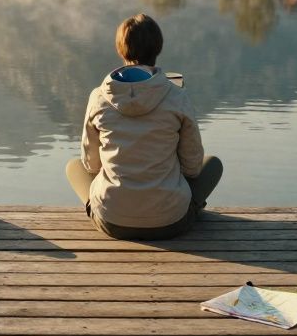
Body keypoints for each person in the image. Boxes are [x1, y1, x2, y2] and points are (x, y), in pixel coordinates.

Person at [66, 13, 222, 239]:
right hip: (171, 221)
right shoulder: (177, 97)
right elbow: (193, 168)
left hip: (111, 221)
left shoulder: (98, 97)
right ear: (157, 49)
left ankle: (114, 206)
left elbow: (91, 165)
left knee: (74, 167)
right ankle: (180, 208)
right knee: (213, 165)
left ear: (121, 50)